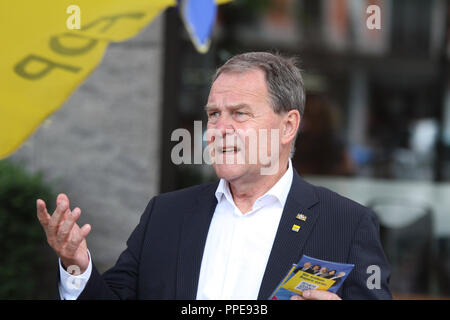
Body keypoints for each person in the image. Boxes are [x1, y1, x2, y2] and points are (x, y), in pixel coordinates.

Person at [36, 52, 391, 300]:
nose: (218, 129)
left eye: (239, 114)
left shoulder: (345, 225)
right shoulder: (166, 215)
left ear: (288, 126)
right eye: (214, 114)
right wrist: (77, 266)